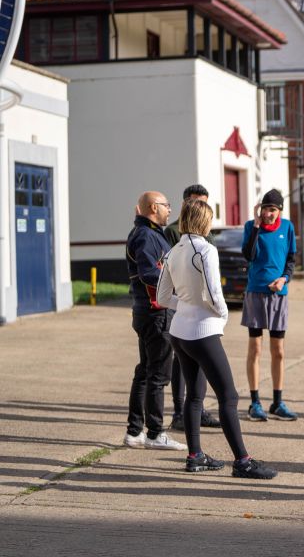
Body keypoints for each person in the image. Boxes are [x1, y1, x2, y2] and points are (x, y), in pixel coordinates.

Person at [156, 199, 277, 479]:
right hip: (203, 330)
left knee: (194, 397)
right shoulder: (206, 249)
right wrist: (222, 316)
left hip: (179, 332)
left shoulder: (173, 251)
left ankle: (195, 455)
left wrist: (185, 302)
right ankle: (242, 461)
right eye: (210, 219)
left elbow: (162, 298)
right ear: (203, 221)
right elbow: (214, 293)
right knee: (229, 397)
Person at [122, 191, 186, 451]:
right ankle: (155, 433)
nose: (169, 210)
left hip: (148, 312)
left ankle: (134, 431)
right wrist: (176, 289)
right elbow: (151, 274)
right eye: (165, 205)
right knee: (158, 375)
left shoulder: (149, 233)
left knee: (146, 372)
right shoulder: (147, 236)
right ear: (152, 208)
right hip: (155, 313)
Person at [163, 184, 220, 433]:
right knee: (181, 362)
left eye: (205, 203)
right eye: (198, 203)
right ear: (187, 203)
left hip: (201, 310)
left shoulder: (208, 236)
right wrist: (221, 312)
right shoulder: (173, 233)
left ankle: (197, 411)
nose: (202, 208)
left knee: (200, 367)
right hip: (185, 307)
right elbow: (170, 276)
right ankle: (178, 411)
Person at [241, 189, 298, 422]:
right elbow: (249, 255)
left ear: (279, 211)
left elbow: (291, 260)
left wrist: (284, 279)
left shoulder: (288, 228)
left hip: (279, 295)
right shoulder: (250, 226)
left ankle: (277, 402)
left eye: (272, 210)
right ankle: (254, 402)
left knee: (279, 351)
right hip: (255, 292)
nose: (268, 214)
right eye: (265, 209)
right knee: (255, 348)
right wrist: (255, 226)